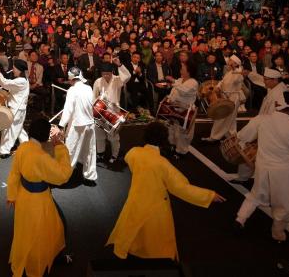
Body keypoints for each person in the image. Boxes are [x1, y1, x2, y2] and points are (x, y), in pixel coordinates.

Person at [106, 122, 225, 260]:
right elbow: (182, 188)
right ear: (163, 139)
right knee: (157, 239)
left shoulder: (134, 153)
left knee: (134, 227)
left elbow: (129, 159)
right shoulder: (163, 164)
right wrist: (209, 196)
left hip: (136, 200)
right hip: (156, 207)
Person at [234, 92, 289, 242]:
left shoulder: (261, 119)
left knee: (256, 195)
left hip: (262, 166)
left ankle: (240, 218)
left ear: (276, 105)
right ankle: (278, 234)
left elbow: (243, 136)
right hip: (284, 171)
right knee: (283, 204)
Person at [6, 118, 72, 277]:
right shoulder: (41, 157)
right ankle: (40, 263)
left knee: (25, 232)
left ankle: (34, 259)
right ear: (45, 136)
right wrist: (60, 147)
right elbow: (63, 175)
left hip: (23, 197)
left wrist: (12, 195)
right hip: (39, 201)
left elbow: (14, 173)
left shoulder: (22, 148)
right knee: (49, 230)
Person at [58, 67, 97, 185]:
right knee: (89, 151)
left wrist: (61, 126)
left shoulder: (72, 90)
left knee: (70, 151)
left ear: (71, 79)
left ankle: (63, 176)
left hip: (78, 125)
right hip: (90, 124)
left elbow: (68, 110)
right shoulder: (89, 88)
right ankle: (90, 177)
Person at [92, 59, 131, 163]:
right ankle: (100, 153)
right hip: (100, 111)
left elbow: (128, 76)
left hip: (114, 111)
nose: (106, 76)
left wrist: (120, 64)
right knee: (99, 133)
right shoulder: (98, 81)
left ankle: (115, 155)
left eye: (108, 74)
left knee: (113, 136)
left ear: (112, 72)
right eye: (104, 74)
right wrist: (96, 104)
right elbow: (93, 97)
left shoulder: (118, 80)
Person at [0, 59, 30, 158]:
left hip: (16, 109)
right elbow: (10, 87)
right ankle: (27, 147)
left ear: (19, 70)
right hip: (19, 109)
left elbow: (5, 83)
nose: (13, 70)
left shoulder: (21, 81)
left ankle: (4, 152)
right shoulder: (23, 80)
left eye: (14, 68)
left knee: (8, 130)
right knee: (18, 129)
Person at [203, 55, 245, 142]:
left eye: (230, 60)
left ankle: (215, 136)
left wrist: (238, 68)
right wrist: (218, 86)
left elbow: (237, 79)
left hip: (234, 98)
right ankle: (232, 137)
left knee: (224, 117)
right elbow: (222, 81)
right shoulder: (229, 72)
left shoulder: (238, 72)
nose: (228, 62)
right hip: (226, 97)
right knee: (229, 118)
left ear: (235, 63)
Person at [163, 60, 199, 156]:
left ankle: (182, 151)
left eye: (183, 68)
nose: (180, 70)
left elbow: (184, 91)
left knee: (182, 133)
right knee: (172, 129)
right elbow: (174, 92)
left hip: (185, 111)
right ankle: (173, 146)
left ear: (189, 71)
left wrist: (173, 81)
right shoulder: (179, 80)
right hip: (175, 109)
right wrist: (169, 99)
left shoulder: (193, 82)